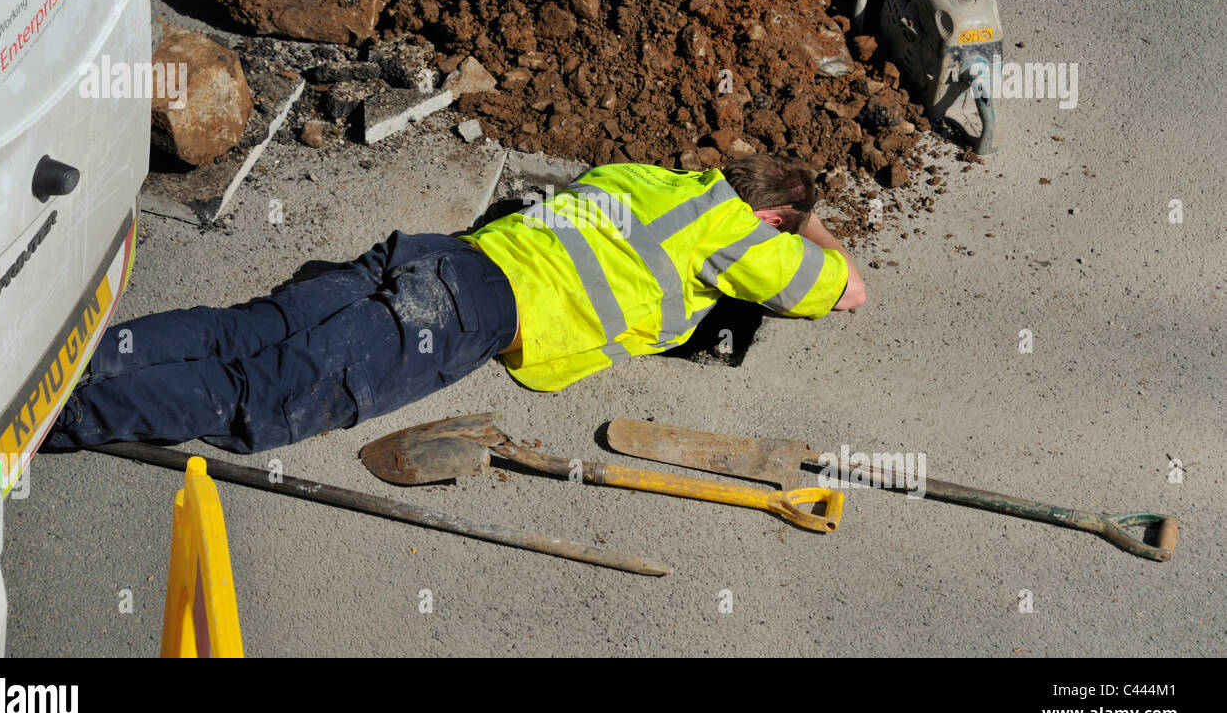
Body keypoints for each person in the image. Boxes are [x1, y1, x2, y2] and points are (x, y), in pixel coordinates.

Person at [45, 155, 864, 454]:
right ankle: (48, 424)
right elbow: (848, 289)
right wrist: (807, 225)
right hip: (461, 315)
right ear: (772, 220)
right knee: (262, 400)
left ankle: (55, 368)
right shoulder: (735, 232)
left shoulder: (645, 178)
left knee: (242, 329)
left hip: (437, 256)